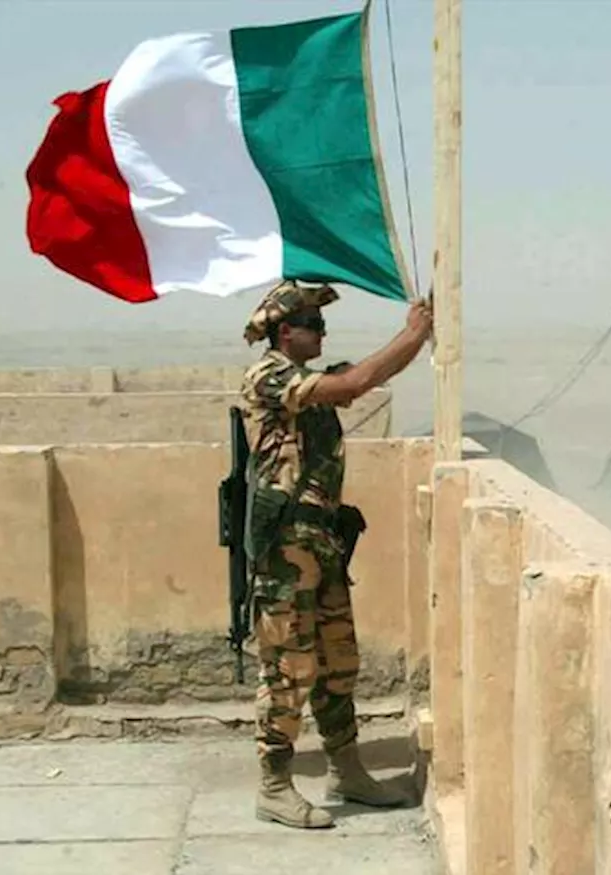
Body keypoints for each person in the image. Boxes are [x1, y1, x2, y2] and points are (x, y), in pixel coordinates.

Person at [239, 279, 434, 829]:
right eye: (313, 324)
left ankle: (346, 769)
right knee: (288, 668)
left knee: (337, 661)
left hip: (320, 542)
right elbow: (356, 382)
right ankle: (274, 785)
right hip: (285, 549)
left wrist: (413, 339)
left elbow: (353, 382)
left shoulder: (308, 380)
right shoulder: (270, 375)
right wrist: (414, 332)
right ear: (285, 332)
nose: (323, 332)